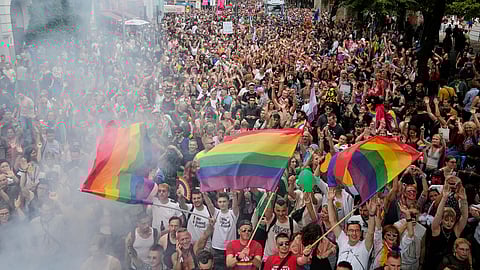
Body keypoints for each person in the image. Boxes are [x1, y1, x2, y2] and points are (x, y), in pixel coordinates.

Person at [328, 189, 375, 270]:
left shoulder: (365, 246)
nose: (354, 233)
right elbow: (333, 221)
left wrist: (371, 214)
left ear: (361, 233)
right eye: (351, 230)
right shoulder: (343, 240)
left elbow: (371, 232)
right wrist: (329, 201)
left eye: (357, 231)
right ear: (347, 232)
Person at [211, 192, 240, 270]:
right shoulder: (216, 213)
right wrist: (204, 195)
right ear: (217, 203)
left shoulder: (233, 214)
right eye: (220, 202)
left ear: (228, 202)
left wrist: (234, 195)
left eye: (224, 201)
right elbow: (209, 205)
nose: (222, 204)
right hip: (216, 248)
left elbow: (235, 206)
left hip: (230, 248)